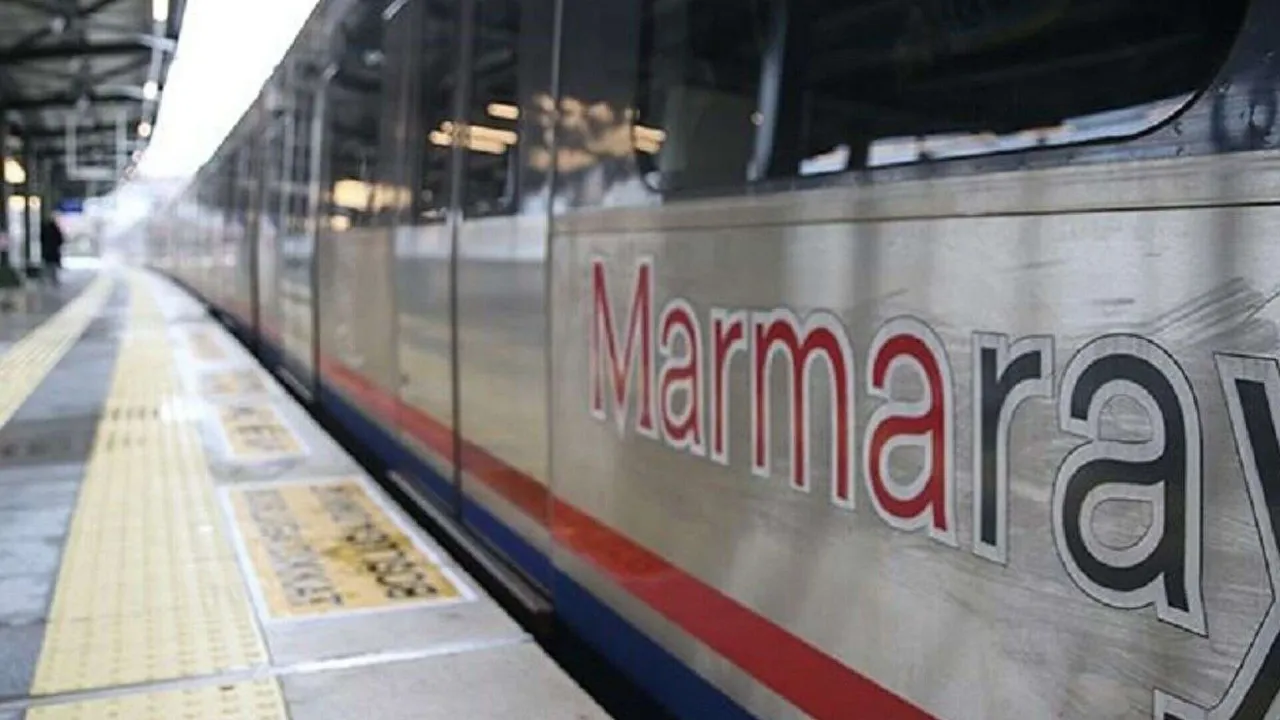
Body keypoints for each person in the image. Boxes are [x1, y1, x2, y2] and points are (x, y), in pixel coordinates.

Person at [40, 213, 63, 286]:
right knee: (53, 267)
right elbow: (60, 240)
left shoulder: (44, 229)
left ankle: (45, 280)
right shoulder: (56, 230)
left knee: (47, 265)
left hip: (46, 251)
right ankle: (53, 280)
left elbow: (41, 239)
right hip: (54, 251)